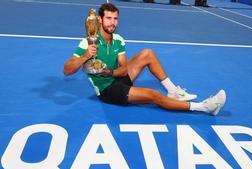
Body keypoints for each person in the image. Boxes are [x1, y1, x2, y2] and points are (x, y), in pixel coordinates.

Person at [63, 3, 226, 115]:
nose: (113, 23)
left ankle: (173, 91)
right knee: (154, 95)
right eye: (108, 18)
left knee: (148, 53)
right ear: (99, 20)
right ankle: (205, 107)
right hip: (108, 91)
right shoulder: (87, 42)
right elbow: (67, 70)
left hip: (116, 77)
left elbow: (123, 70)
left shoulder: (118, 39)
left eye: (115, 18)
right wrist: (86, 55)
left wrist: (108, 71)